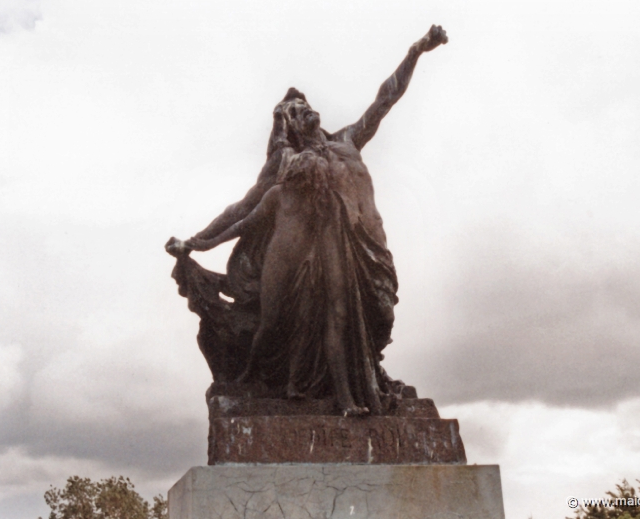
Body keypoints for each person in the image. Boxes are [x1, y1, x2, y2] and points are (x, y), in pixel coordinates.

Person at [167, 25, 448, 415]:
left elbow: (386, 98)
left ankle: (368, 377)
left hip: (372, 248)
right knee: (327, 320)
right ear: (291, 126)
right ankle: (278, 381)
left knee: (382, 318)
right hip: (332, 252)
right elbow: (244, 210)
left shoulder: (349, 140)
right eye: (293, 110)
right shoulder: (291, 168)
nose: (304, 108)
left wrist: (416, 51)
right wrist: (196, 243)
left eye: (304, 103)